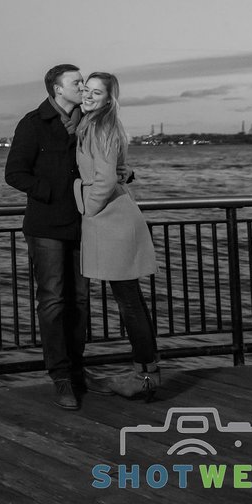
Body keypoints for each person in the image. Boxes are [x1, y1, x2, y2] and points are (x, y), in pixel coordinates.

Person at [5, 64, 101, 410]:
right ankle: (60, 376)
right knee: (53, 300)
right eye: (76, 82)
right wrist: (52, 191)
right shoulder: (33, 123)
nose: (83, 86)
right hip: (46, 226)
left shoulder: (88, 123)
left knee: (79, 299)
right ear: (57, 89)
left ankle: (78, 369)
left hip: (81, 223)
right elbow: (14, 173)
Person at [75, 72, 160, 400]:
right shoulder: (100, 125)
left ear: (109, 98)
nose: (88, 96)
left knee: (129, 302)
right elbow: (119, 170)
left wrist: (88, 209)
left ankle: (145, 377)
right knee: (132, 300)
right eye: (87, 90)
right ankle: (147, 372)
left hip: (111, 221)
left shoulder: (99, 126)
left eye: (97, 92)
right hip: (116, 218)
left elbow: (106, 179)